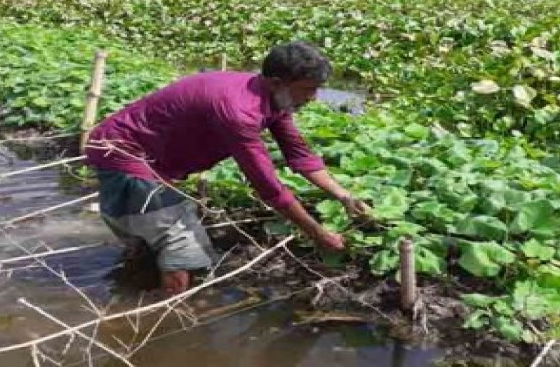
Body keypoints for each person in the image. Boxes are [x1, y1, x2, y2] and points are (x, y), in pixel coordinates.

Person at [85, 41, 370, 296]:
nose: (314, 97)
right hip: (123, 153)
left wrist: (343, 196)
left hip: (156, 159)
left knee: (155, 232)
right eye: (308, 89)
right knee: (181, 245)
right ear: (276, 82)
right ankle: (167, 318)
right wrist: (317, 233)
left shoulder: (274, 99)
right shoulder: (238, 111)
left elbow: (299, 154)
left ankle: (139, 280)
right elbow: (268, 187)